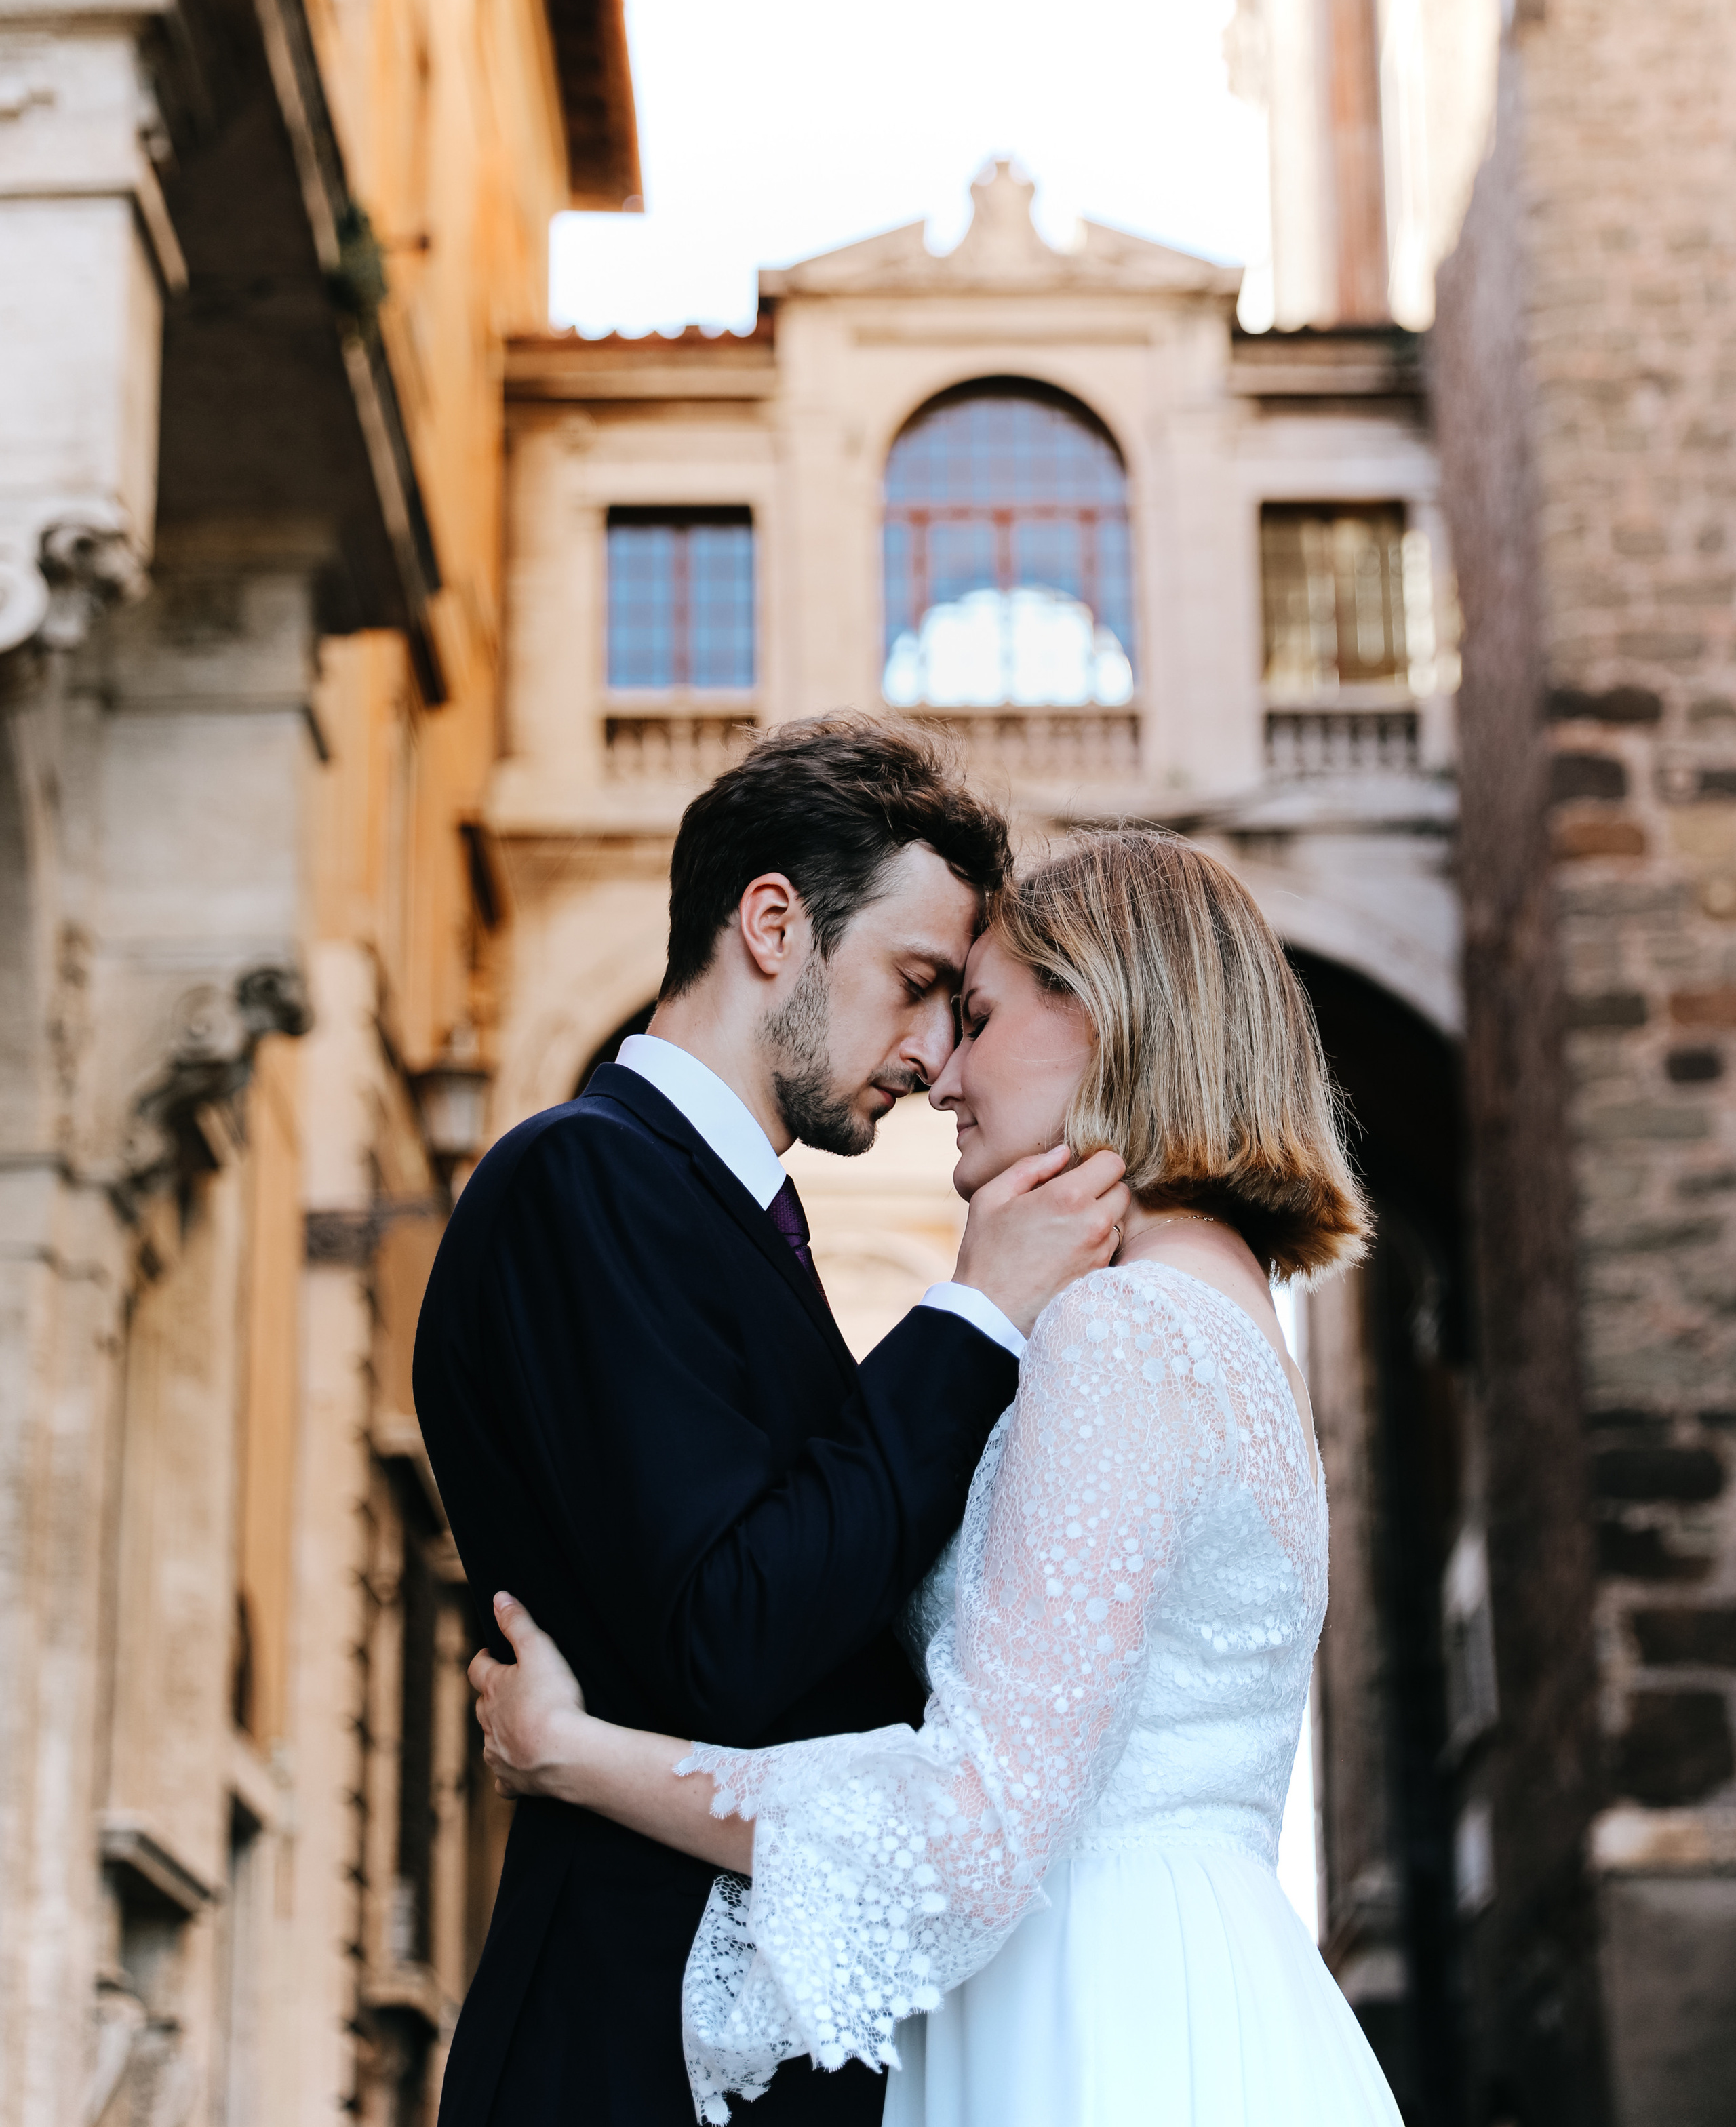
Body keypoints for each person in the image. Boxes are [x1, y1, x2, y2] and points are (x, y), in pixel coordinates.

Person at [469, 829, 1408, 2127]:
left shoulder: (1124, 1330)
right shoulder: (1224, 1317)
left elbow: (967, 1835)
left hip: (1089, 2023)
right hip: (1193, 1989)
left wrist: (574, 1753)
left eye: (975, 1017)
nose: (943, 1077)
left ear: (1103, 1018)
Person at [413, 717, 1129, 2126]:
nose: (932, 1056)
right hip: (626, 2050)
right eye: (915, 985)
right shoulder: (582, 1180)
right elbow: (730, 1636)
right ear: (772, 925)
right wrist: (974, 1315)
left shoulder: (726, 1213)